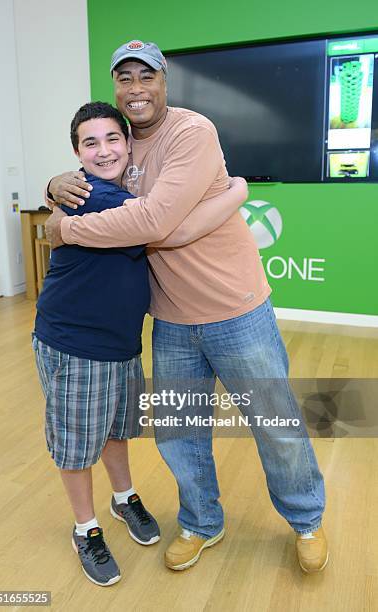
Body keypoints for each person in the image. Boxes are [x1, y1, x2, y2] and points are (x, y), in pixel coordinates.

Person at [45, 40, 328, 575]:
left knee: (275, 422)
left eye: (144, 77)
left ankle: (306, 520)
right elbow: (94, 186)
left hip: (236, 311)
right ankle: (201, 523)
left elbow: (156, 226)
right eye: (124, 79)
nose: (135, 89)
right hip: (171, 320)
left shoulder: (191, 132)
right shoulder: (121, 147)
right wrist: (53, 187)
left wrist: (65, 229)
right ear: (116, 89)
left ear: (163, 80)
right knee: (180, 432)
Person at [35, 100, 246, 587]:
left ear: (129, 145)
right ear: (76, 153)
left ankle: (123, 496)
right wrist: (237, 190)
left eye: (113, 138)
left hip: (122, 343)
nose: (104, 149)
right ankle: (84, 527)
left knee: (116, 429)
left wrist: (51, 190)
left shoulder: (109, 191)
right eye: (91, 142)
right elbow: (169, 226)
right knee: (75, 445)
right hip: (73, 344)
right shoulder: (96, 198)